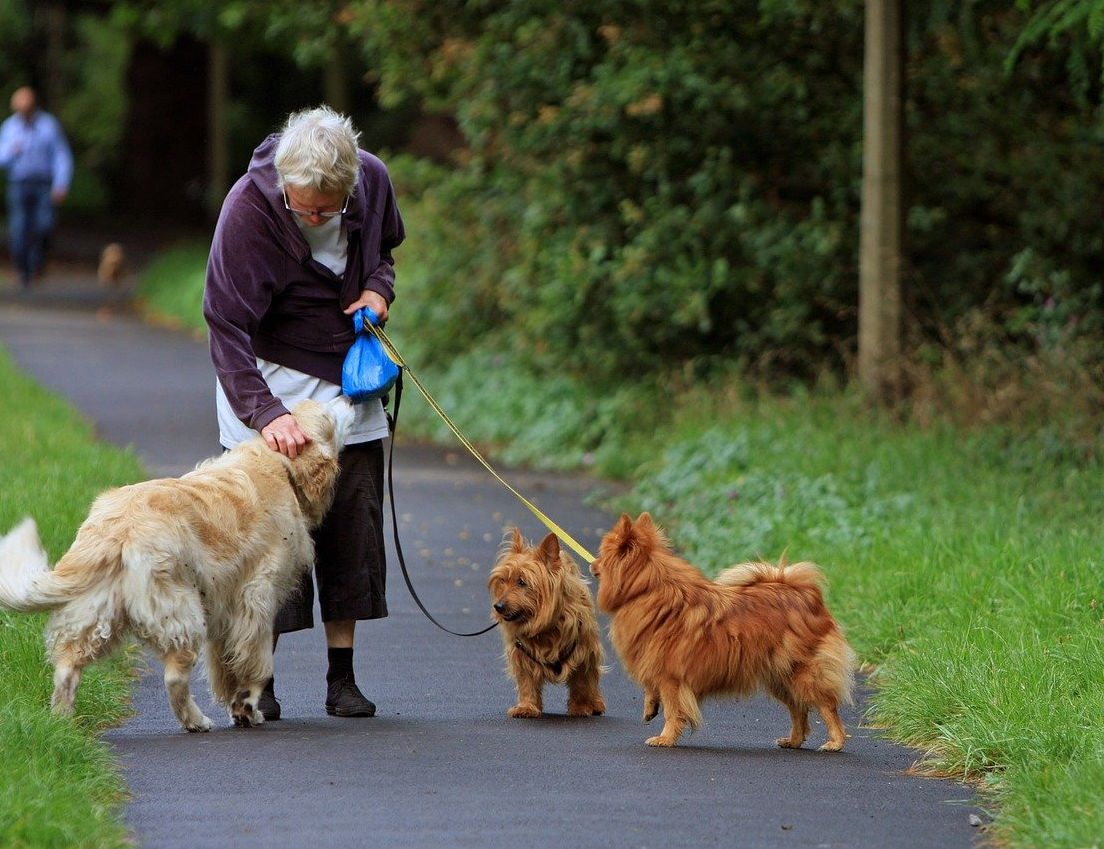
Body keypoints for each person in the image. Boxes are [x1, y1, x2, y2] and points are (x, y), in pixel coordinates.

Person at [203, 105, 404, 720]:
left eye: (329, 208)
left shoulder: (370, 178)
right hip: (268, 380)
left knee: (352, 520)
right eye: (306, 208)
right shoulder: (247, 209)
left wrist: (378, 291)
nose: (317, 217)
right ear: (284, 184)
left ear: (350, 185)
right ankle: (262, 680)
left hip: (348, 384)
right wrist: (267, 415)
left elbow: (383, 257)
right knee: (269, 542)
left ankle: (342, 677)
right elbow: (226, 324)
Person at [0, 86, 72, 288]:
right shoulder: (9, 127)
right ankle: (23, 270)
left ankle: (37, 265)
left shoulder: (48, 125)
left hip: (43, 185)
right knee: (18, 228)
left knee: (44, 225)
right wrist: (11, 152)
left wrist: (61, 183)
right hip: (18, 184)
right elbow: (1, 157)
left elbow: (61, 155)